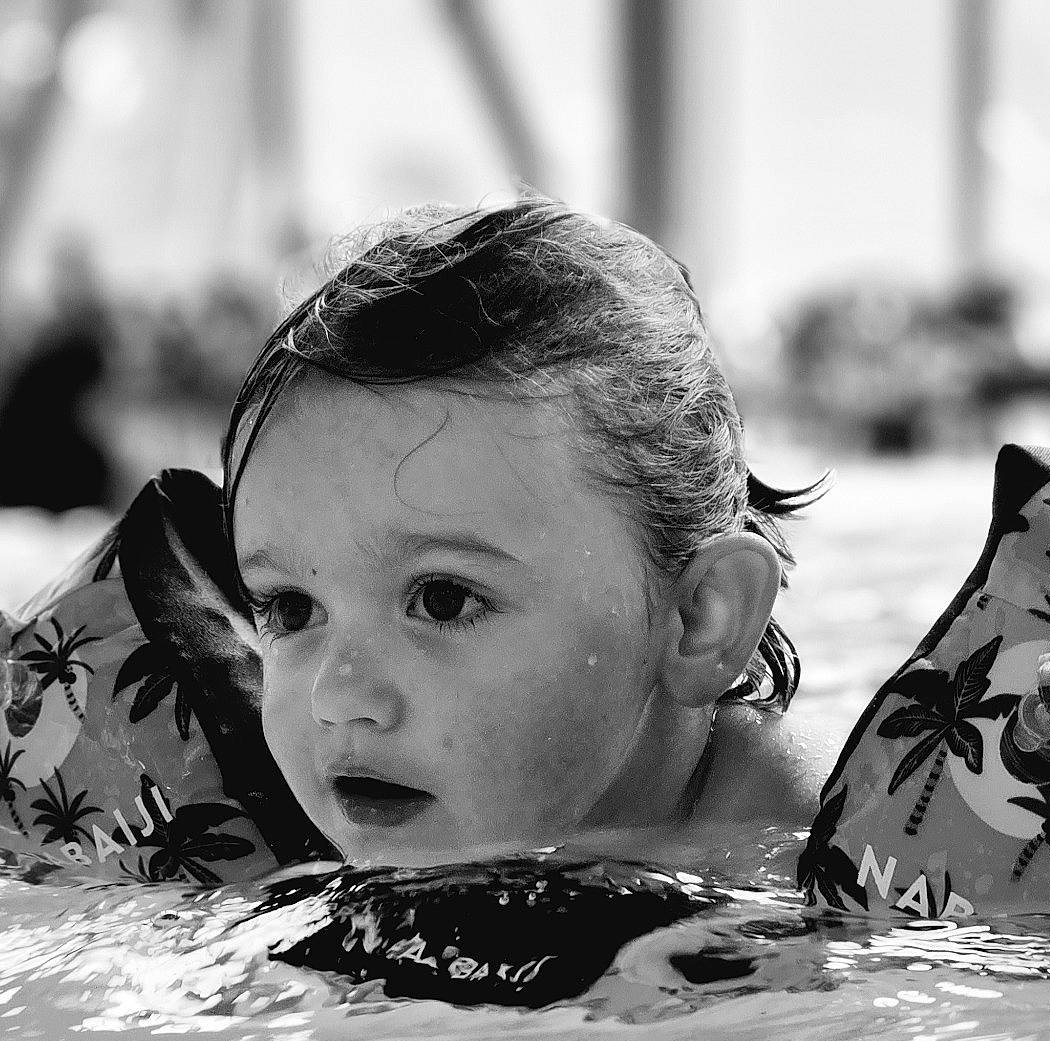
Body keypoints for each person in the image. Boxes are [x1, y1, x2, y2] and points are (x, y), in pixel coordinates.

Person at [221, 199, 829, 872]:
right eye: (290, 609)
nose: (336, 699)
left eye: (443, 600)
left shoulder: (832, 874)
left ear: (699, 618)